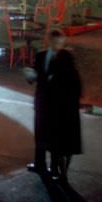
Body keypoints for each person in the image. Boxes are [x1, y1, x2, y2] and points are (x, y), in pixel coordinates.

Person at [24, 28, 82, 181]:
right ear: (49, 41)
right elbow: (36, 75)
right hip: (42, 100)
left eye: (60, 42)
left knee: (55, 135)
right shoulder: (41, 55)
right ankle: (39, 164)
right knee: (39, 132)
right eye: (55, 42)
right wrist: (30, 75)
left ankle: (55, 168)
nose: (57, 45)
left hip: (57, 103)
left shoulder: (66, 57)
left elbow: (70, 79)